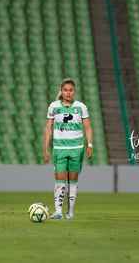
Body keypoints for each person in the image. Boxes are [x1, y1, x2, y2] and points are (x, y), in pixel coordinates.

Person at [43, 78, 93, 219]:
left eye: (71, 90)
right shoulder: (53, 107)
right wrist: (45, 149)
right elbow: (48, 128)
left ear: (74, 91)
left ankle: (70, 212)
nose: (68, 93)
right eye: (65, 90)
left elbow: (88, 128)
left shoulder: (81, 107)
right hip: (59, 148)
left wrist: (90, 145)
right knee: (59, 180)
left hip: (77, 148)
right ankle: (58, 211)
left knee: (73, 181)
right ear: (61, 91)